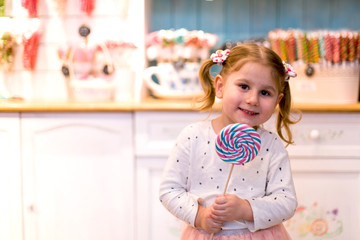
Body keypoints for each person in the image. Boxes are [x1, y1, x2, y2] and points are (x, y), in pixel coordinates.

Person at [159, 43, 299, 240]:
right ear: (220, 86)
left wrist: (246, 209)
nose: (252, 99)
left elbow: (287, 202)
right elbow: (169, 191)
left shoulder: (271, 146)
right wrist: (200, 216)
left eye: (265, 92)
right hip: (207, 234)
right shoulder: (193, 137)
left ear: (278, 100)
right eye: (244, 86)